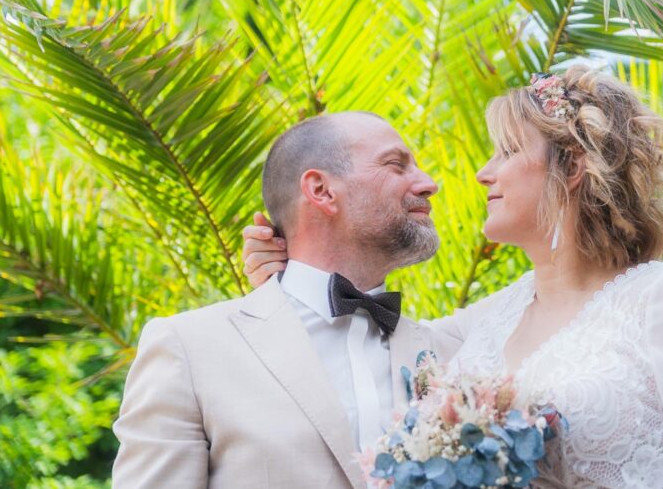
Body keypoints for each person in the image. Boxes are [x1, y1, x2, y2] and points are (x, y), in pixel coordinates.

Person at [243, 69, 663, 488]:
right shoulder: (482, 325)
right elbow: (357, 329)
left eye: (507, 151)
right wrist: (290, 275)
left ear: (574, 165)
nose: (483, 172)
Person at [113, 112, 457, 487]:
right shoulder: (189, 348)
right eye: (396, 165)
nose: (428, 183)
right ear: (321, 190)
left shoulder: (455, 352)